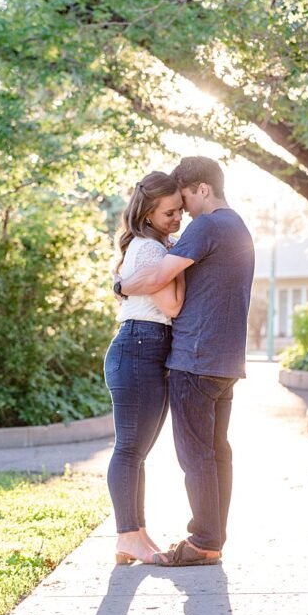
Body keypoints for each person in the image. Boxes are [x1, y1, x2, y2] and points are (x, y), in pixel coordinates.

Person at [118, 156, 255, 567]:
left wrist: (120, 284)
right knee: (217, 453)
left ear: (202, 189)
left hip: (195, 359)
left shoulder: (208, 225)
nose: (183, 212)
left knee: (196, 455)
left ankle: (202, 542)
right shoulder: (238, 226)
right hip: (225, 361)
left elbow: (159, 278)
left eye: (185, 201)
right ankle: (212, 540)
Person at [105, 171, 185, 565]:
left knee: (135, 452)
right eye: (169, 213)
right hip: (140, 346)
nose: (177, 219)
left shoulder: (151, 246)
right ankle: (126, 535)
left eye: (180, 211)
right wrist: (182, 263)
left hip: (142, 347)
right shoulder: (154, 251)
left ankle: (135, 535)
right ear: (149, 213)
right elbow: (172, 306)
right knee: (129, 450)